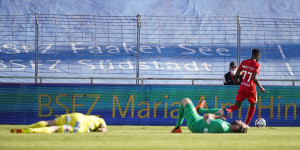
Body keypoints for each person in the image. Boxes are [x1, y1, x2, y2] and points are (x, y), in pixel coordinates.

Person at [224, 48, 265, 126]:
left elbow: (236, 74)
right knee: (253, 105)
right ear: (256, 55)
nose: (259, 57)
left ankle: (227, 110)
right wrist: (260, 87)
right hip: (251, 88)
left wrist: (244, 74)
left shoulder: (244, 62)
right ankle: (246, 124)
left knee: (236, 105)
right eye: (259, 56)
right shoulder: (257, 65)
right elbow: (254, 78)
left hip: (242, 86)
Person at [171, 98, 247, 133]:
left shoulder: (221, 126)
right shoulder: (227, 127)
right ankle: (200, 109)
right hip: (202, 123)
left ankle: (177, 128)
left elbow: (206, 116)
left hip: (195, 123)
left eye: (241, 123)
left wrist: (217, 117)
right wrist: (220, 117)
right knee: (222, 111)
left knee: (185, 100)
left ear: (237, 127)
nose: (240, 120)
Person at [10, 112, 107, 133]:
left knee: (49, 122)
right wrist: (102, 129)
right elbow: (103, 129)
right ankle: (32, 131)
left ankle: (27, 127)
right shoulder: (101, 121)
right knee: (55, 129)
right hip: (81, 128)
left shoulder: (95, 118)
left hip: (76, 116)